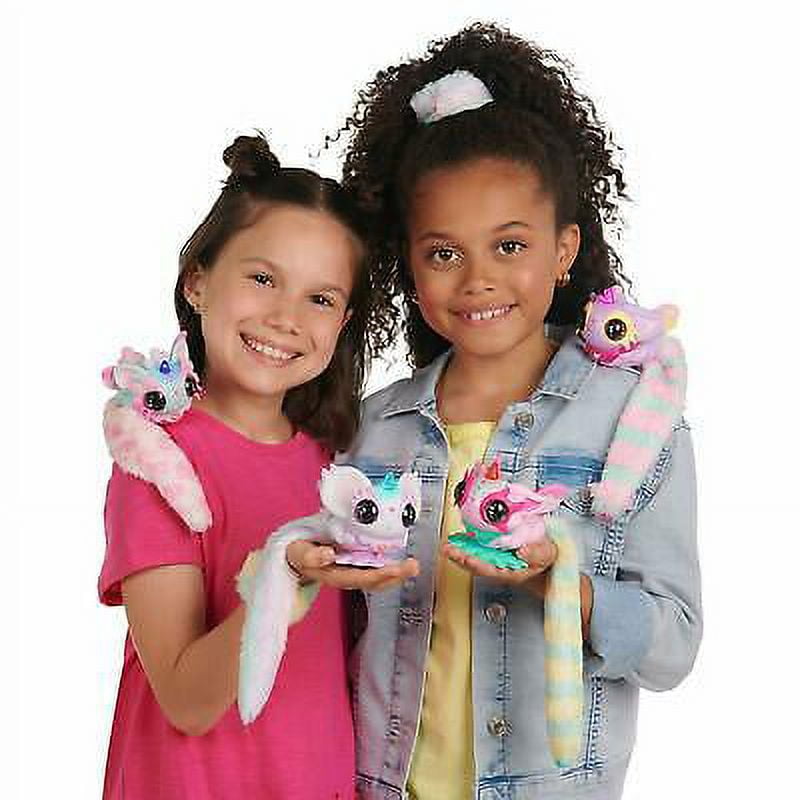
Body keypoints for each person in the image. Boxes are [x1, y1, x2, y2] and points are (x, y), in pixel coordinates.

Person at [284, 23, 702, 800]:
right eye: (444, 253)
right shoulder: (374, 430)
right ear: (410, 268)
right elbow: (337, 639)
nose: (477, 279)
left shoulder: (632, 421)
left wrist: (558, 584)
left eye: (509, 246)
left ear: (564, 249)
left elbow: (674, 645)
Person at [97, 132, 415, 799]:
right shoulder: (157, 461)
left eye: (320, 299)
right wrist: (279, 582)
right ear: (198, 281)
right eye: (264, 279)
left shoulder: (338, 464)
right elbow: (186, 700)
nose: (285, 318)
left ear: (344, 322)